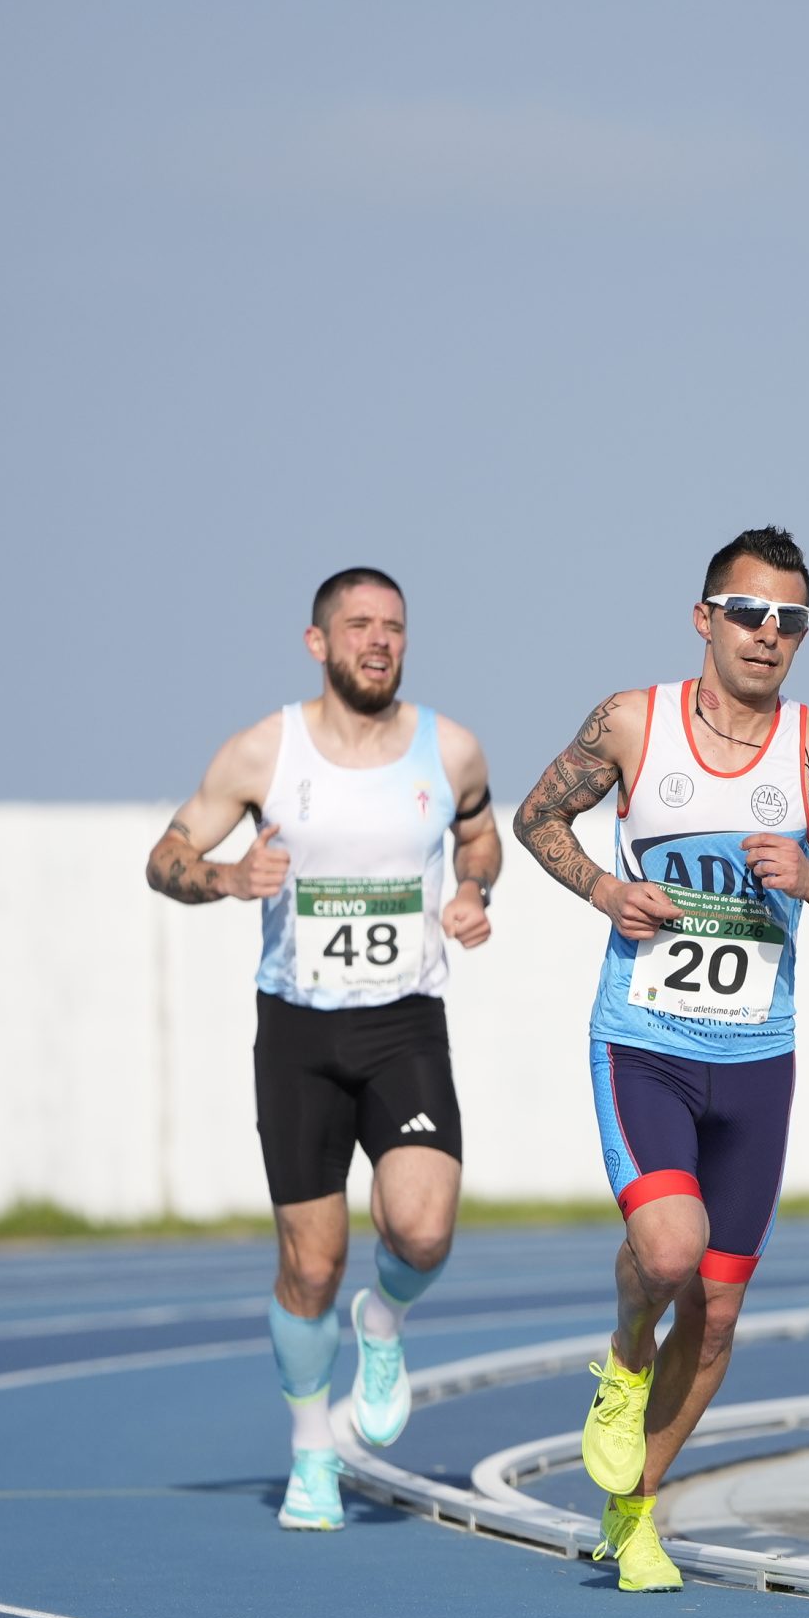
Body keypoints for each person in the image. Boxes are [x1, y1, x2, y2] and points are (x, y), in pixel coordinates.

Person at [513, 526, 809, 1593]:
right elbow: (538, 816)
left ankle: (633, 1513)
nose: (768, 634)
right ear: (704, 617)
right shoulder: (635, 723)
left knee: (719, 1315)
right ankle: (625, 1357)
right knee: (668, 1251)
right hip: (647, 1043)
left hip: (758, 1061)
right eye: (749, 612)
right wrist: (604, 888)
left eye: (790, 620)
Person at [145, 567, 500, 1533]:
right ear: (319, 642)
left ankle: (382, 1320)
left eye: (393, 626)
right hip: (299, 1030)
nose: (378, 641)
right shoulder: (264, 751)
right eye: (358, 625)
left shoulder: (450, 748)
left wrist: (474, 889)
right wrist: (226, 876)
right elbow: (165, 857)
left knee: (422, 1230)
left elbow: (480, 835)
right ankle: (312, 1451)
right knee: (311, 1264)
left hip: (404, 1020)